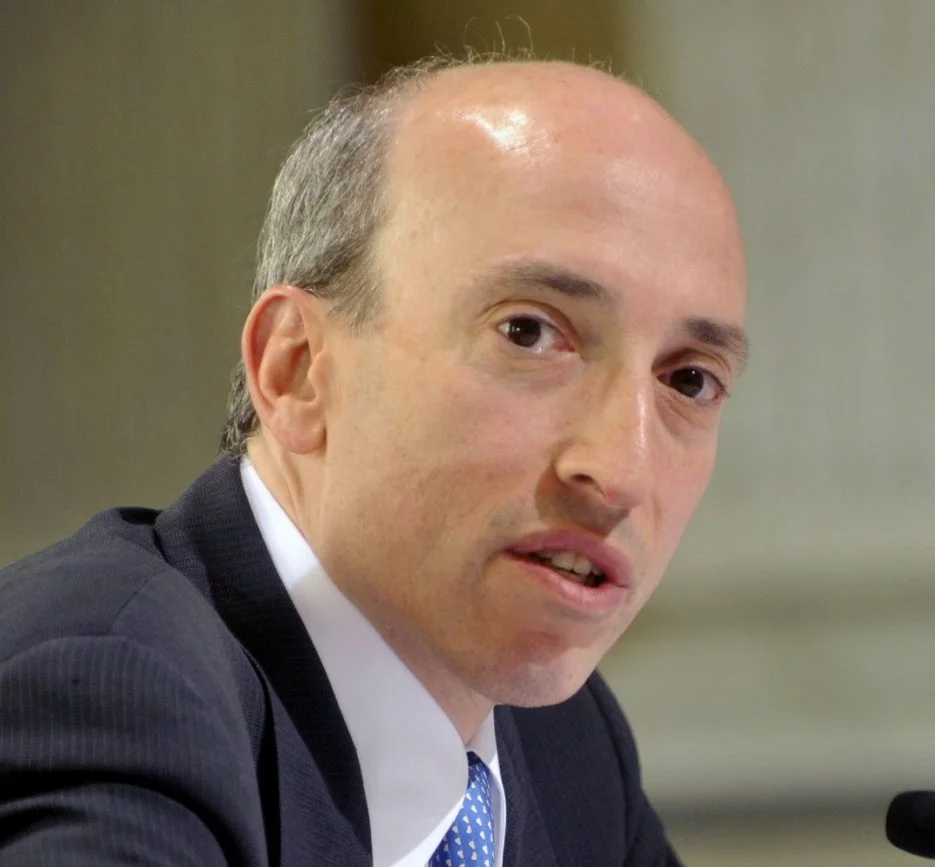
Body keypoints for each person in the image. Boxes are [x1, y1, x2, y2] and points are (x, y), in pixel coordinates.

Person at [0, 55, 748, 867]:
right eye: (529, 332)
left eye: (689, 380)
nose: (623, 472)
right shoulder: (106, 687)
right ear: (297, 369)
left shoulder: (567, 746)